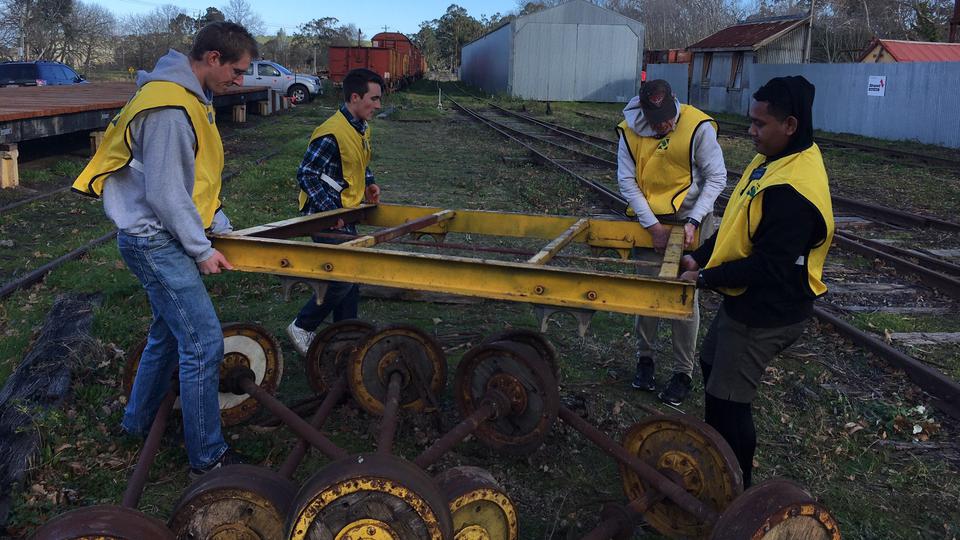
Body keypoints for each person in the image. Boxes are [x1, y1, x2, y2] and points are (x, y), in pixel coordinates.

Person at [72, 22, 258, 478]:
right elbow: (165, 193)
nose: (241, 81)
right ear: (212, 58)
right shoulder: (171, 108)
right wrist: (200, 249)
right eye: (237, 71)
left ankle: (135, 423)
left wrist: (220, 227)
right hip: (156, 239)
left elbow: (195, 179)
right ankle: (207, 458)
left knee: (167, 333)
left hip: (161, 234)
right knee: (203, 342)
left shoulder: (189, 98)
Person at [679, 76, 834, 489]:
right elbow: (736, 224)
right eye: (751, 121)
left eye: (759, 124)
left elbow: (767, 267)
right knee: (712, 365)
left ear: (790, 125)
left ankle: (733, 486)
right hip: (744, 302)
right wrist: (701, 254)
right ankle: (721, 458)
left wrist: (705, 276)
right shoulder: (773, 160)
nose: (750, 131)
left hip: (766, 313)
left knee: (728, 403)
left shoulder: (793, 192)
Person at [616, 79, 727, 406]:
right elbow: (626, 180)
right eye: (657, 121)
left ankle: (682, 372)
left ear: (675, 103)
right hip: (652, 223)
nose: (665, 125)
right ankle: (645, 359)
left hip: (692, 219)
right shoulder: (629, 131)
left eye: (668, 118)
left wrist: (694, 221)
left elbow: (716, 177)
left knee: (683, 294)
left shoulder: (697, 126)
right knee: (647, 293)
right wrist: (652, 225)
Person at [286, 68, 383, 356]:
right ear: (355, 97)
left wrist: (369, 183)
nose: (378, 105)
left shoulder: (361, 126)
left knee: (349, 279)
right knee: (345, 275)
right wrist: (331, 212)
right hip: (323, 214)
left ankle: (346, 336)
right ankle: (303, 325)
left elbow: (360, 160)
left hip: (345, 211)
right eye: (374, 99)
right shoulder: (331, 132)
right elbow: (306, 174)